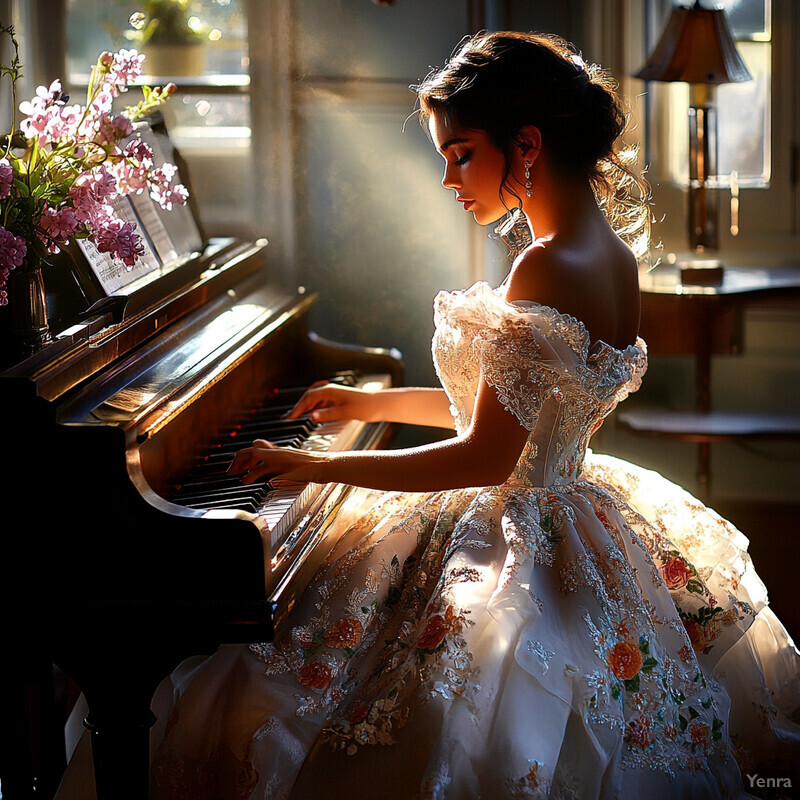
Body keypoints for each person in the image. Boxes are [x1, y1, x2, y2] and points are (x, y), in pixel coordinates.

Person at [151, 32, 800, 799]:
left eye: (460, 153)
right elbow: (508, 412)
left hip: (517, 523)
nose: (448, 178)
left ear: (525, 145)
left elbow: (486, 457)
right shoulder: (609, 255)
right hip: (574, 503)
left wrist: (318, 464)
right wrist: (369, 402)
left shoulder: (547, 262)